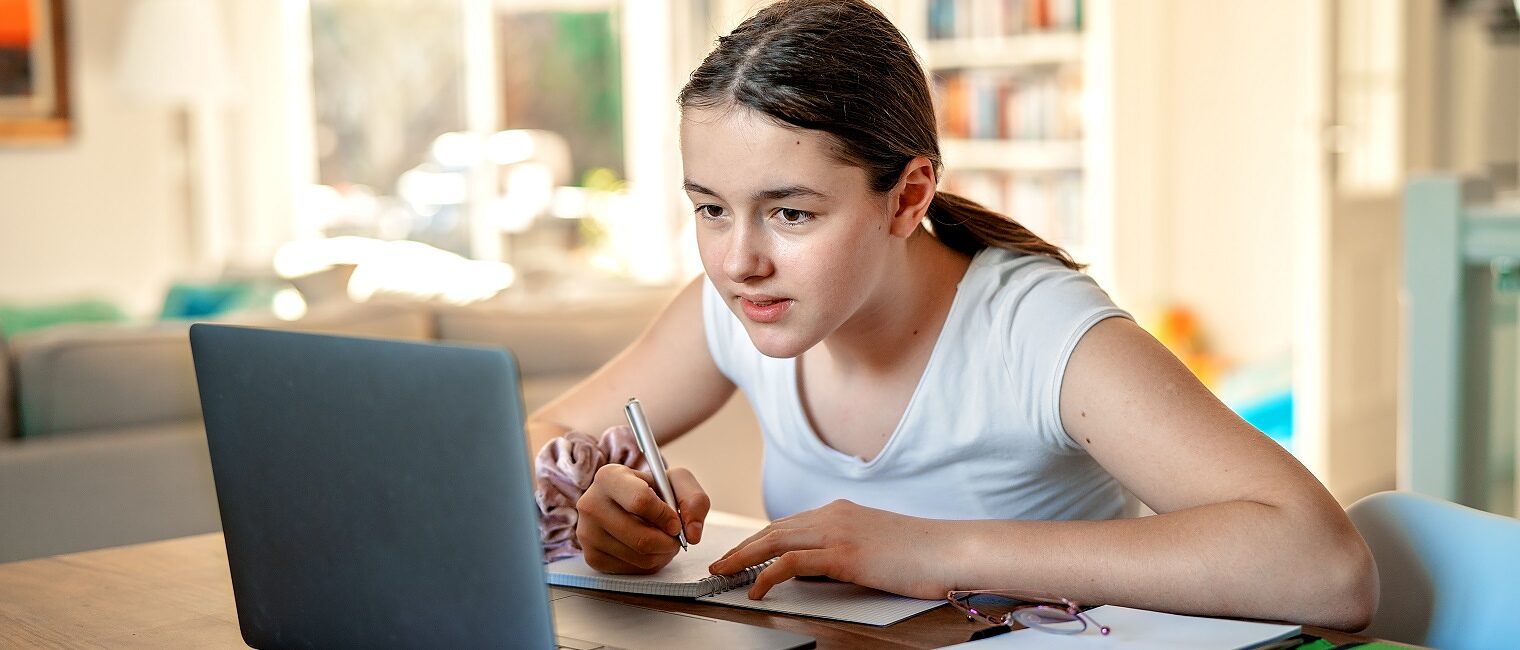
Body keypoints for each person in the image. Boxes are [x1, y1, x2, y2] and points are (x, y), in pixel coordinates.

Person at [526, 0, 1375, 631]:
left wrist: (940, 551)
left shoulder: (1038, 333)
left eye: (790, 213)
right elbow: (542, 431)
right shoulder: (732, 306)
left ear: (908, 198)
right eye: (711, 208)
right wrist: (601, 498)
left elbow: (1326, 566)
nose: (738, 258)